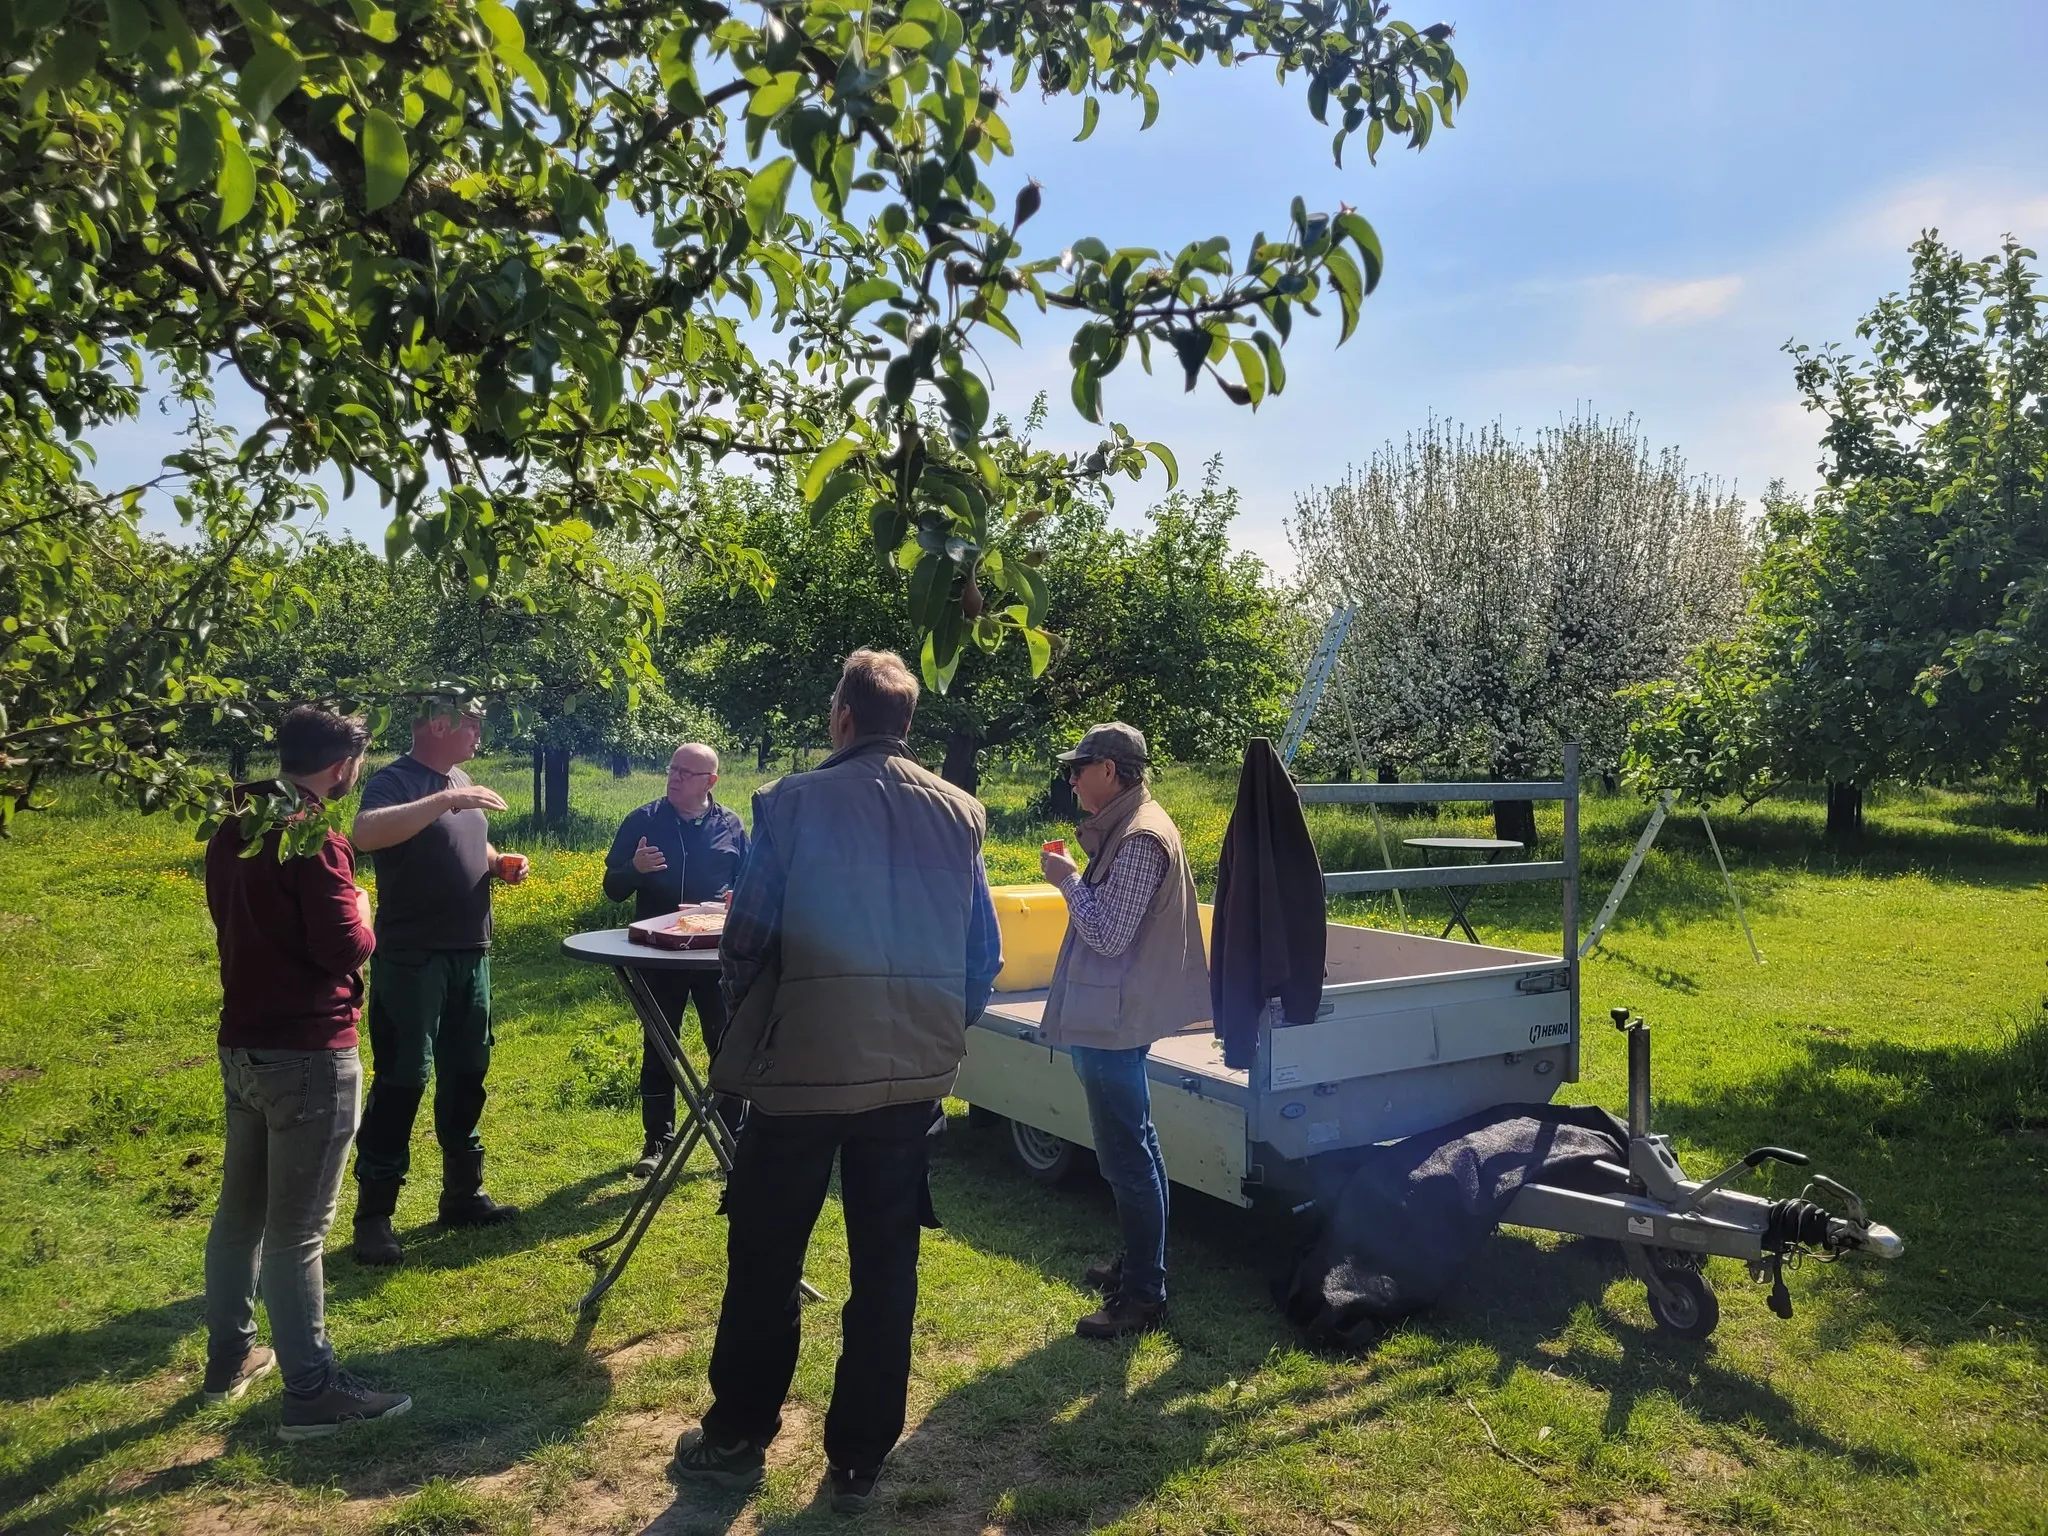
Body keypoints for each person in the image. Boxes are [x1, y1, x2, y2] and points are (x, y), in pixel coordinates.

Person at [671, 649, 1002, 1513]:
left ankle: (738, 1436)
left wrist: (758, 1038)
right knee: (887, 1265)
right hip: (911, 1080)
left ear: (843, 717)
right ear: (909, 724)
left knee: (766, 1256)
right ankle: (859, 1459)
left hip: (801, 1077)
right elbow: (984, 955)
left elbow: (746, 941)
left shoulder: (789, 802)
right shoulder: (961, 812)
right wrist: (937, 1031)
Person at [202, 705, 413, 1437]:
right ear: (340, 767)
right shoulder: (314, 837)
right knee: (298, 1232)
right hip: (310, 1053)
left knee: (241, 1216)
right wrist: (364, 904)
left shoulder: (237, 823)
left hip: (243, 1046)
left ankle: (229, 1359)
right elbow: (345, 949)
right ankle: (313, 1392)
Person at [1038, 722, 1211, 1339]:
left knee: (1126, 1156)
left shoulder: (1139, 837)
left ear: (1109, 770)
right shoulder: (1133, 825)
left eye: (1078, 768)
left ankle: (1143, 1295)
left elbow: (1109, 934)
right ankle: (1141, 1265)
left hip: (1115, 1020)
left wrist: (1065, 881)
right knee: (1133, 1149)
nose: (1072, 779)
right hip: (1113, 1016)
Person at [348, 696, 529, 1266]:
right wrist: (447, 798)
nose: (478, 731)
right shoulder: (394, 780)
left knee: (468, 1070)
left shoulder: (462, 777)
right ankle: (374, 1215)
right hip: (412, 957)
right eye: (470, 722)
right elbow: (365, 832)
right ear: (436, 725)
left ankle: (463, 1194)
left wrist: (499, 862)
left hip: (470, 952)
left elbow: (466, 842)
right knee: (403, 1077)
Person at [602, 742, 749, 1176]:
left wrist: (734, 899)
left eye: (686, 772)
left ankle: (732, 1138)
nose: (675, 777)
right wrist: (635, 869)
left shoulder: (732, 825)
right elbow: (613, 887)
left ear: (711, 782)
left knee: (725, 1043)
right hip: (659, 955)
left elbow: (750, 884)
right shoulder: (643, 821)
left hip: (715, 957)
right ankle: (657, 1142)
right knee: (661, 1047)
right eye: (672, 769)